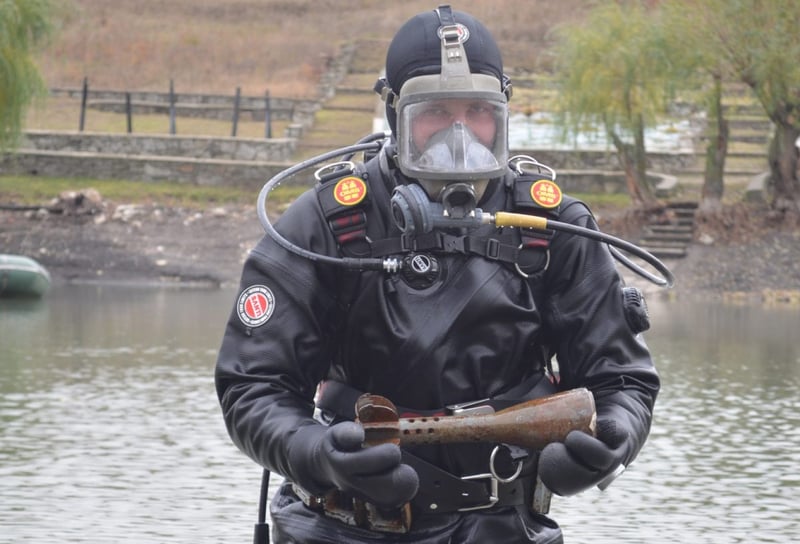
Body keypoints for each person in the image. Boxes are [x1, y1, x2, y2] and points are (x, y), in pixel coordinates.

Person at [215, 5, 660, 543]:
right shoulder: (327, 223)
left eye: (478, 111)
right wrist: (315, 453)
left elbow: (622, 379)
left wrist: (613, 439)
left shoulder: (552, 226)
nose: (459, 132)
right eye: (436, 113)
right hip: (341, 527)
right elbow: (253, 384)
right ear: (396, 114)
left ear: (502, 113)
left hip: (504, 526)